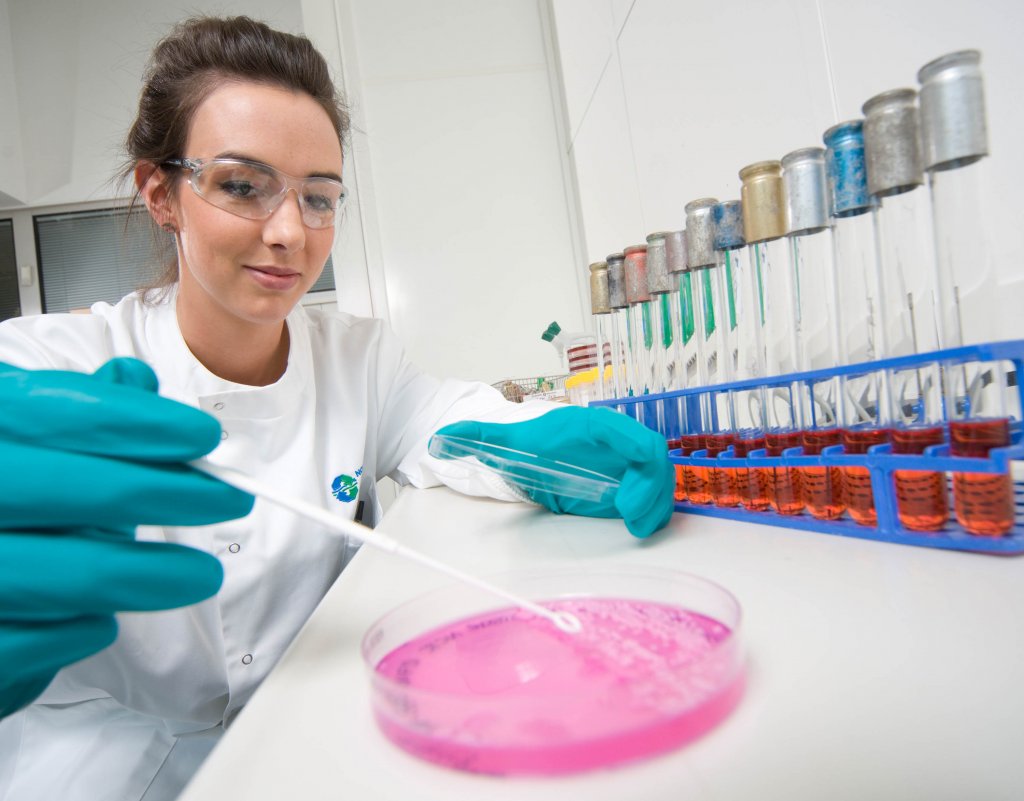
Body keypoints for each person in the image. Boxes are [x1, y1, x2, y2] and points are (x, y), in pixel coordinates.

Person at [0, 15, 674, 800]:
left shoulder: (356, 357)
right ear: (162, 195)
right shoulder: (54, 364)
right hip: (92, 770)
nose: (290, 231)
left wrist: (538, 444)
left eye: (318, 196)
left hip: (306, 745)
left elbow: (444, 423)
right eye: (242, 186)